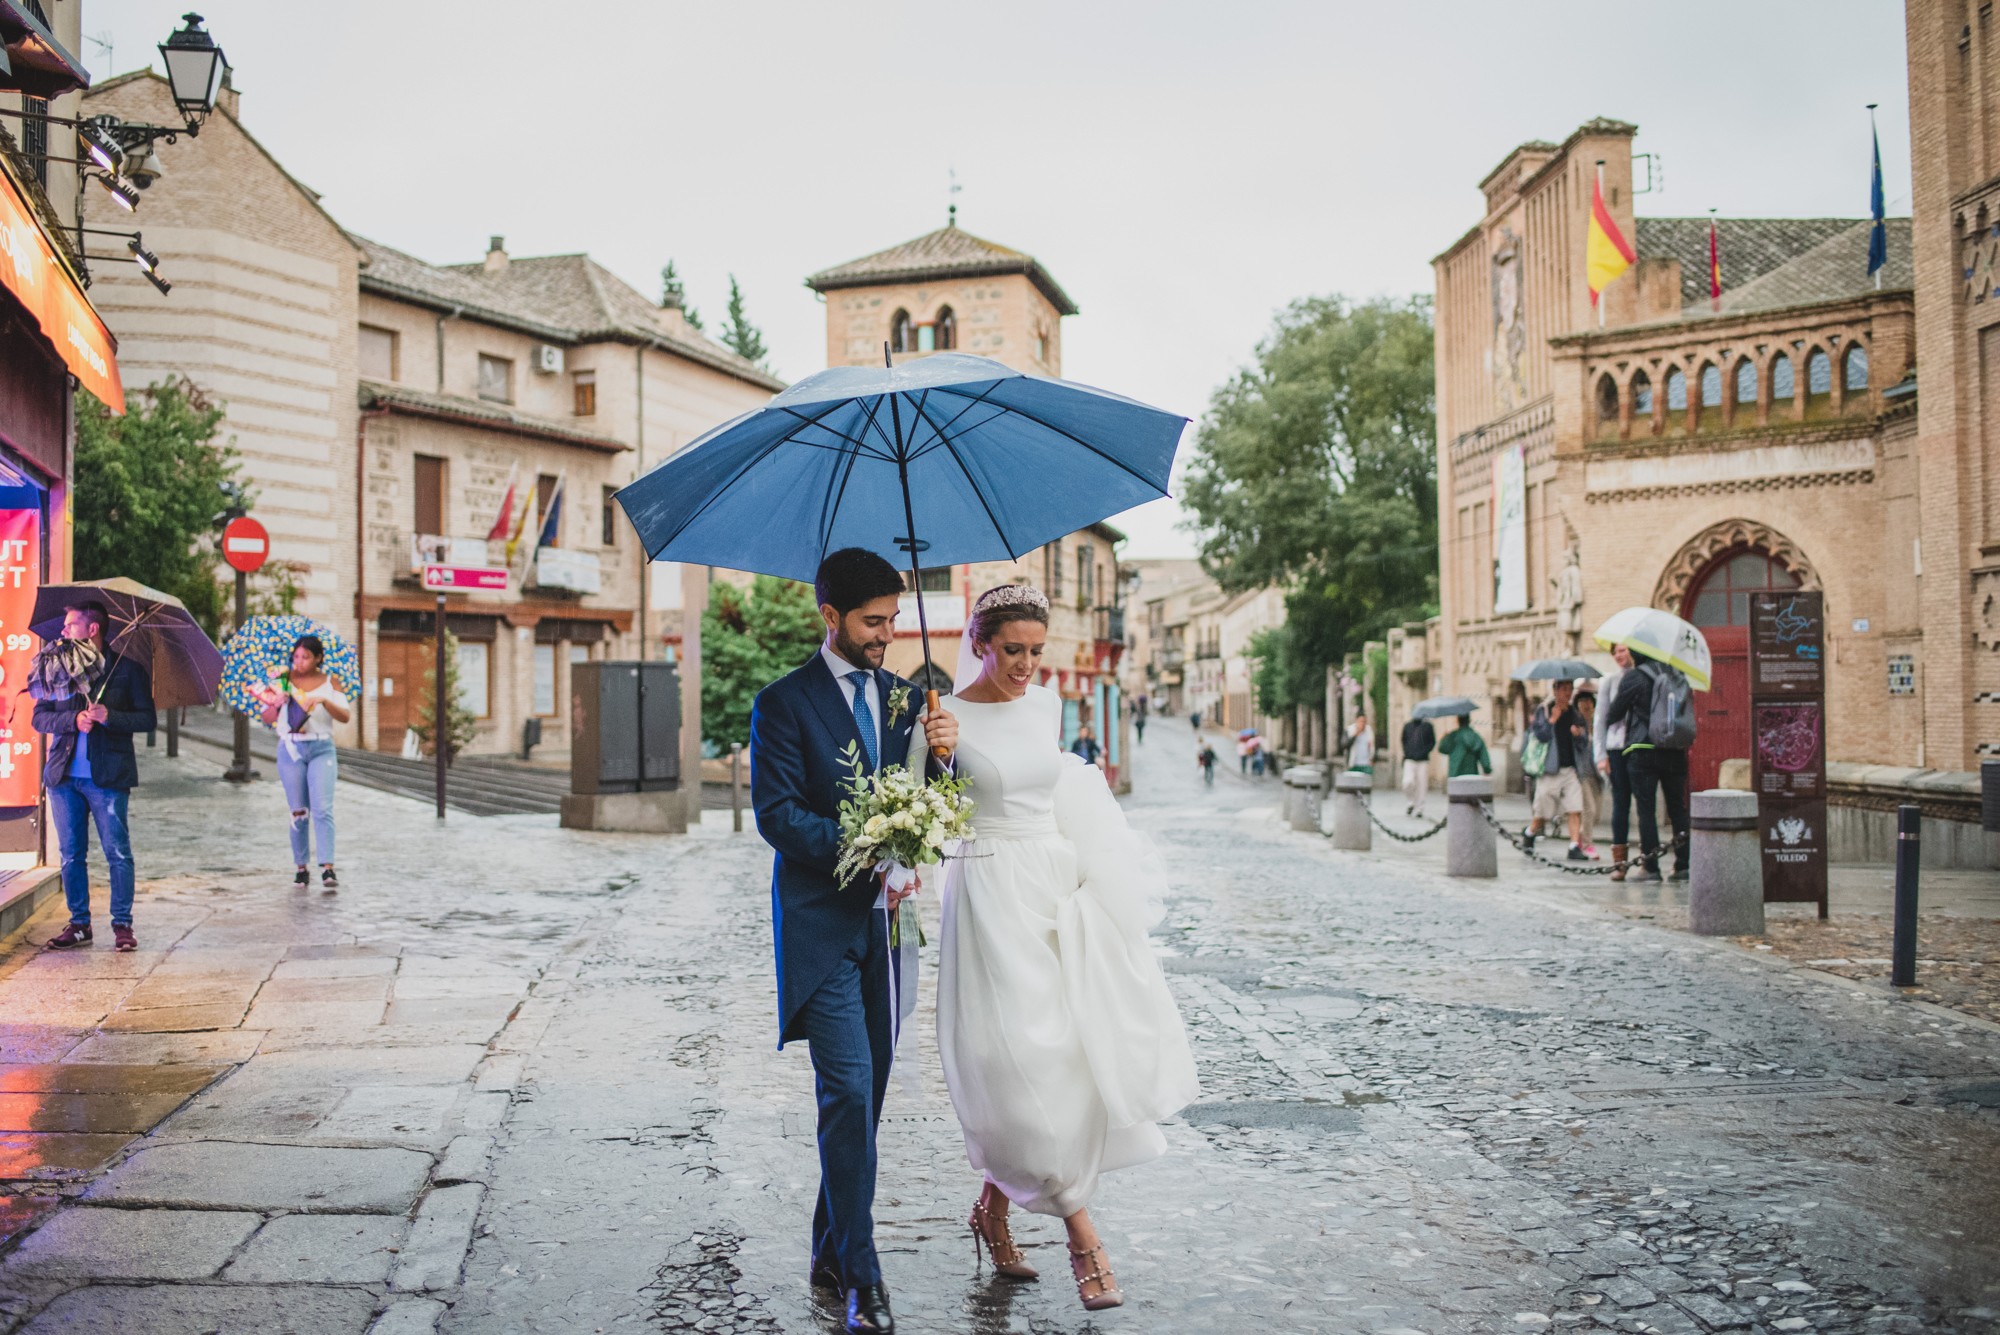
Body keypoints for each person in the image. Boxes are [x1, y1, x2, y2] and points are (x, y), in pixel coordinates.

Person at [940, 584, 1199, 1312]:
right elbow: (927, 814)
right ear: (981, 643)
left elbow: (1056, 787)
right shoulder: (943, 717)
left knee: (1062, 1058)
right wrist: (938, 761)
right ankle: (1084, 1234)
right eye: (1011, 650)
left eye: (1034, 651)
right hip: (988, 890)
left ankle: (993, 1209)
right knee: (1016, 1057)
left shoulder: (1048, 704)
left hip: (1054, 887)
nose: (1025, 665)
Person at [749, 547, 959, 1335]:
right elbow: (777, 814)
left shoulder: (909, 699)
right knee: (846, 1088)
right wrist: (864, 840)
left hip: (892, 930)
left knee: (863, 1102)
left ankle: (829, 1248)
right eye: (873, 622)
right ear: (829, 616)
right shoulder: (782, 703)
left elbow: (938, 795)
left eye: (894, 619)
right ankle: (863, 1278)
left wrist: (943, 753)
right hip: (821, 926)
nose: (887, 634)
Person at [34, 602, 156, 952]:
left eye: (70, 624)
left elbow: (147, 720)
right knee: (71, 854)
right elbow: (40, 717)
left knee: (117, 852)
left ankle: (122, 924)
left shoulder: (127, 670)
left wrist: (109, 716)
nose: (63, 630)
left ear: (92, 630)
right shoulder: (56, 667)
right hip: (63, 777)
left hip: (108, 777)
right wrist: (72, 721)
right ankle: (79, 923)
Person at [254, 636, 349, 891]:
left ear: (318, 658)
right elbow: (267, 717)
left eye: (306, 657)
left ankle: (327, 867)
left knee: (322, 808)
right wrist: (278, 702)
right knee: (298, 810)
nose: (299, 662)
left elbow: (345, 715)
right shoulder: (282, 681)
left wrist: (324, 701)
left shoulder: (331, 682)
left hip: (321, 748)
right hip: (291, 748)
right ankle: (301, 867)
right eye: (296, 656)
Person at [1602, 649, 1691, 883]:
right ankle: (1683, 865)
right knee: (1677, 808)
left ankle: (1650, 868)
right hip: (1675, 750)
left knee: (1646, 809)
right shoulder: (1677, 674)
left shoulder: (1635, 677)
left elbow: (1613, 713)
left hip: (1643, 750)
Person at [1521, 681, 1589, 861]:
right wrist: (1552, 720)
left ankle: (1574, 846)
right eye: (1564, 689)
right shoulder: (1544, 710)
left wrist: (1579, 735)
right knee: (1542, 813)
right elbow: (1539, 736)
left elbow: (1584, 741)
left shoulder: (1575, 714)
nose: (1567, 693)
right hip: (1550, 770)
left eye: (1570, 689)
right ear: (1555, 691)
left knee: (1575, 808)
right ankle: (1530, 833)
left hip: (1570, 770)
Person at [1597, 645, 1636, 880]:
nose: (1620, 655)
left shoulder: (1644, 676)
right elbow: (1600, 720)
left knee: (1643, 803)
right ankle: (1619, 862)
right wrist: (1600, 756)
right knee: (1621, 804)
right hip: (1616, 748)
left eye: (1623, 650)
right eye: (1616, 652)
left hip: (1638, 748)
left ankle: (1647, 861)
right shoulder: (1609, 682)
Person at [1574, 686, 1603, 860]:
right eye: (1582, 703)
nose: (1586, 706)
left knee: (1597, 814)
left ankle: (1578, 837)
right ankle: (1587, 845)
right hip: (1581, 773)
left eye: (1589, 703)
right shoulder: (1575, 726)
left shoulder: (1598, 725)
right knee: (1589, 810)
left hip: (1597, 775)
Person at [1399, 712, 1436, 817]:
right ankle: (1411, 802)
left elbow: (1432, 742)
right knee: (1407, 782)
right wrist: (1407, 751)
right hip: (1409, 759)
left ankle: (1420, 808)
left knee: (1422, 785)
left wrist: (1425, 751)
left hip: (1423, 760)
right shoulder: (1407, 726)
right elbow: (1403, 740)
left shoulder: (1428, 726)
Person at [1438, 714, 1492, 778]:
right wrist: (1487, 770)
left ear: (1458, 720)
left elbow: (1442, 749)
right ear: (1469, 720)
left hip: (1455, 775)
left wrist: (1444, 738)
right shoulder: (1476, 737)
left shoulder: (1453, 736)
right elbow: (1485, 759)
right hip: (1472, 775)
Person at [1347, 711, 1375, 775]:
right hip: (1353, 763)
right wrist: (1355, 734)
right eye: (1361, 721)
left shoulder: (1369, 731)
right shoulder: (1350, 730)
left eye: (1364, 721)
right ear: (1356, 721)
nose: (1362, 724)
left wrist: (1373, 759)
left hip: (1366, 764)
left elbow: (1373, 746)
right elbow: (1345, 745)